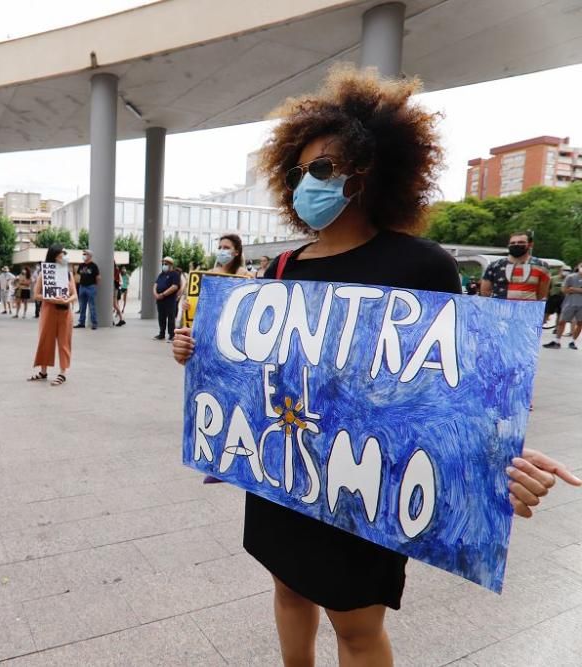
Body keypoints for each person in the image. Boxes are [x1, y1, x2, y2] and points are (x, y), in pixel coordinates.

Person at [171, 66, 582, 667]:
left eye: (323, 169)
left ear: (366, 172)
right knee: (287, 586)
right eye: (300, 170)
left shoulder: (423, 266)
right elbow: (266, 364)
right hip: (287, 470)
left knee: (355, 624)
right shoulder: (286, 267)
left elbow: (459, 387)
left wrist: (506, 456)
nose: (307, 182)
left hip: (367, 485)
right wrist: (201, 351)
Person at [29, 244, 76, 387]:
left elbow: (74, 295)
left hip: (65, 312)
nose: (65, 256)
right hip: (48, 311)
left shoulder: (68, 273)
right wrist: (51, 299)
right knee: (45, 340)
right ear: (55, 255)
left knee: (64, 342)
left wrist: (67, 299)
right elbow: (36, 295)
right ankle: (43, 371)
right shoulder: (45, 273)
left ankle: (62, 373)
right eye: (63, 253)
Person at [480, 231, 551, 302]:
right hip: (499, 310)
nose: (516, 245)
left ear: (530, 245)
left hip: (527, 310)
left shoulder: (542, 266)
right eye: (512, 243)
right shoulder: (495, 266)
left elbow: (541, 294)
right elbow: (485, 292)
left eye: (521, 242)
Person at [543, 262, 582, 349]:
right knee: (561, 321)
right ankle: (557, 341)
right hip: (568, 302)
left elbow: (569, 289)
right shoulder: (570, 277)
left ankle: (573, 342)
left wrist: (573, 289)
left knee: (579, 323)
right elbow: (564, 290)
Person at [152, 257, 182, 341]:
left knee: (171, 317)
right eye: (163, 263)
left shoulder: (175, 274)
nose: (164, 265)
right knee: (161, 317)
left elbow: (174, 286)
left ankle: (172, 335)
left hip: (169, 300)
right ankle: (161, 334)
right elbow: (155, 284)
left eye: (166, 264)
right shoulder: (161, 274)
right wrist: (156, 294)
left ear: (170, 265)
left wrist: (163, 294)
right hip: (160, 300)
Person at [75, 249, 100, 330]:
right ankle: (81, 323)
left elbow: (98, 277)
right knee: (82, 306)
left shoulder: (94, 266)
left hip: (91, 287)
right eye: (83, 254)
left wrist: (94, 286)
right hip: (82, 287)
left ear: (90, 256)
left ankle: (94, 323)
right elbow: (78, 275)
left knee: (92, 306)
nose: (84, 255)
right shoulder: (81, 265)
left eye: (85, 254)